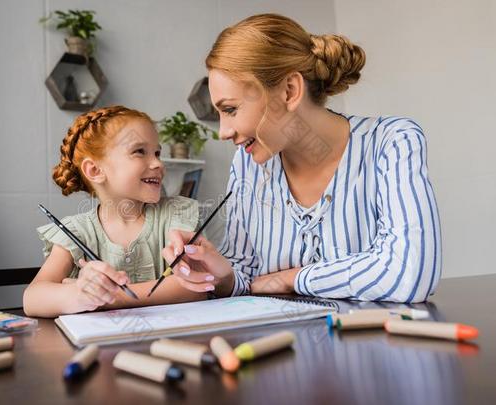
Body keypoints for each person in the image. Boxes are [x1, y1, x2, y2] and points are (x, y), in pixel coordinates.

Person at [163, 14, 441, 303]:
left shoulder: (391, 142)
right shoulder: (247, 164)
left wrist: (294, 278)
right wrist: (223, 276)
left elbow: (409, 273)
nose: (223, 132)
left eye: (230, 109)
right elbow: (250, 279)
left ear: (289, 91)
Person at [24, 106, 203, 317]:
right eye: (139, 151)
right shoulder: (76, 231)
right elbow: (32, 298)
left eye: (157, 153)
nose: (157, 163)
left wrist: (111, 298)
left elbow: (196, 284)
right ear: (95, 171)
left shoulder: (176, 214)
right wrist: (79, 294)